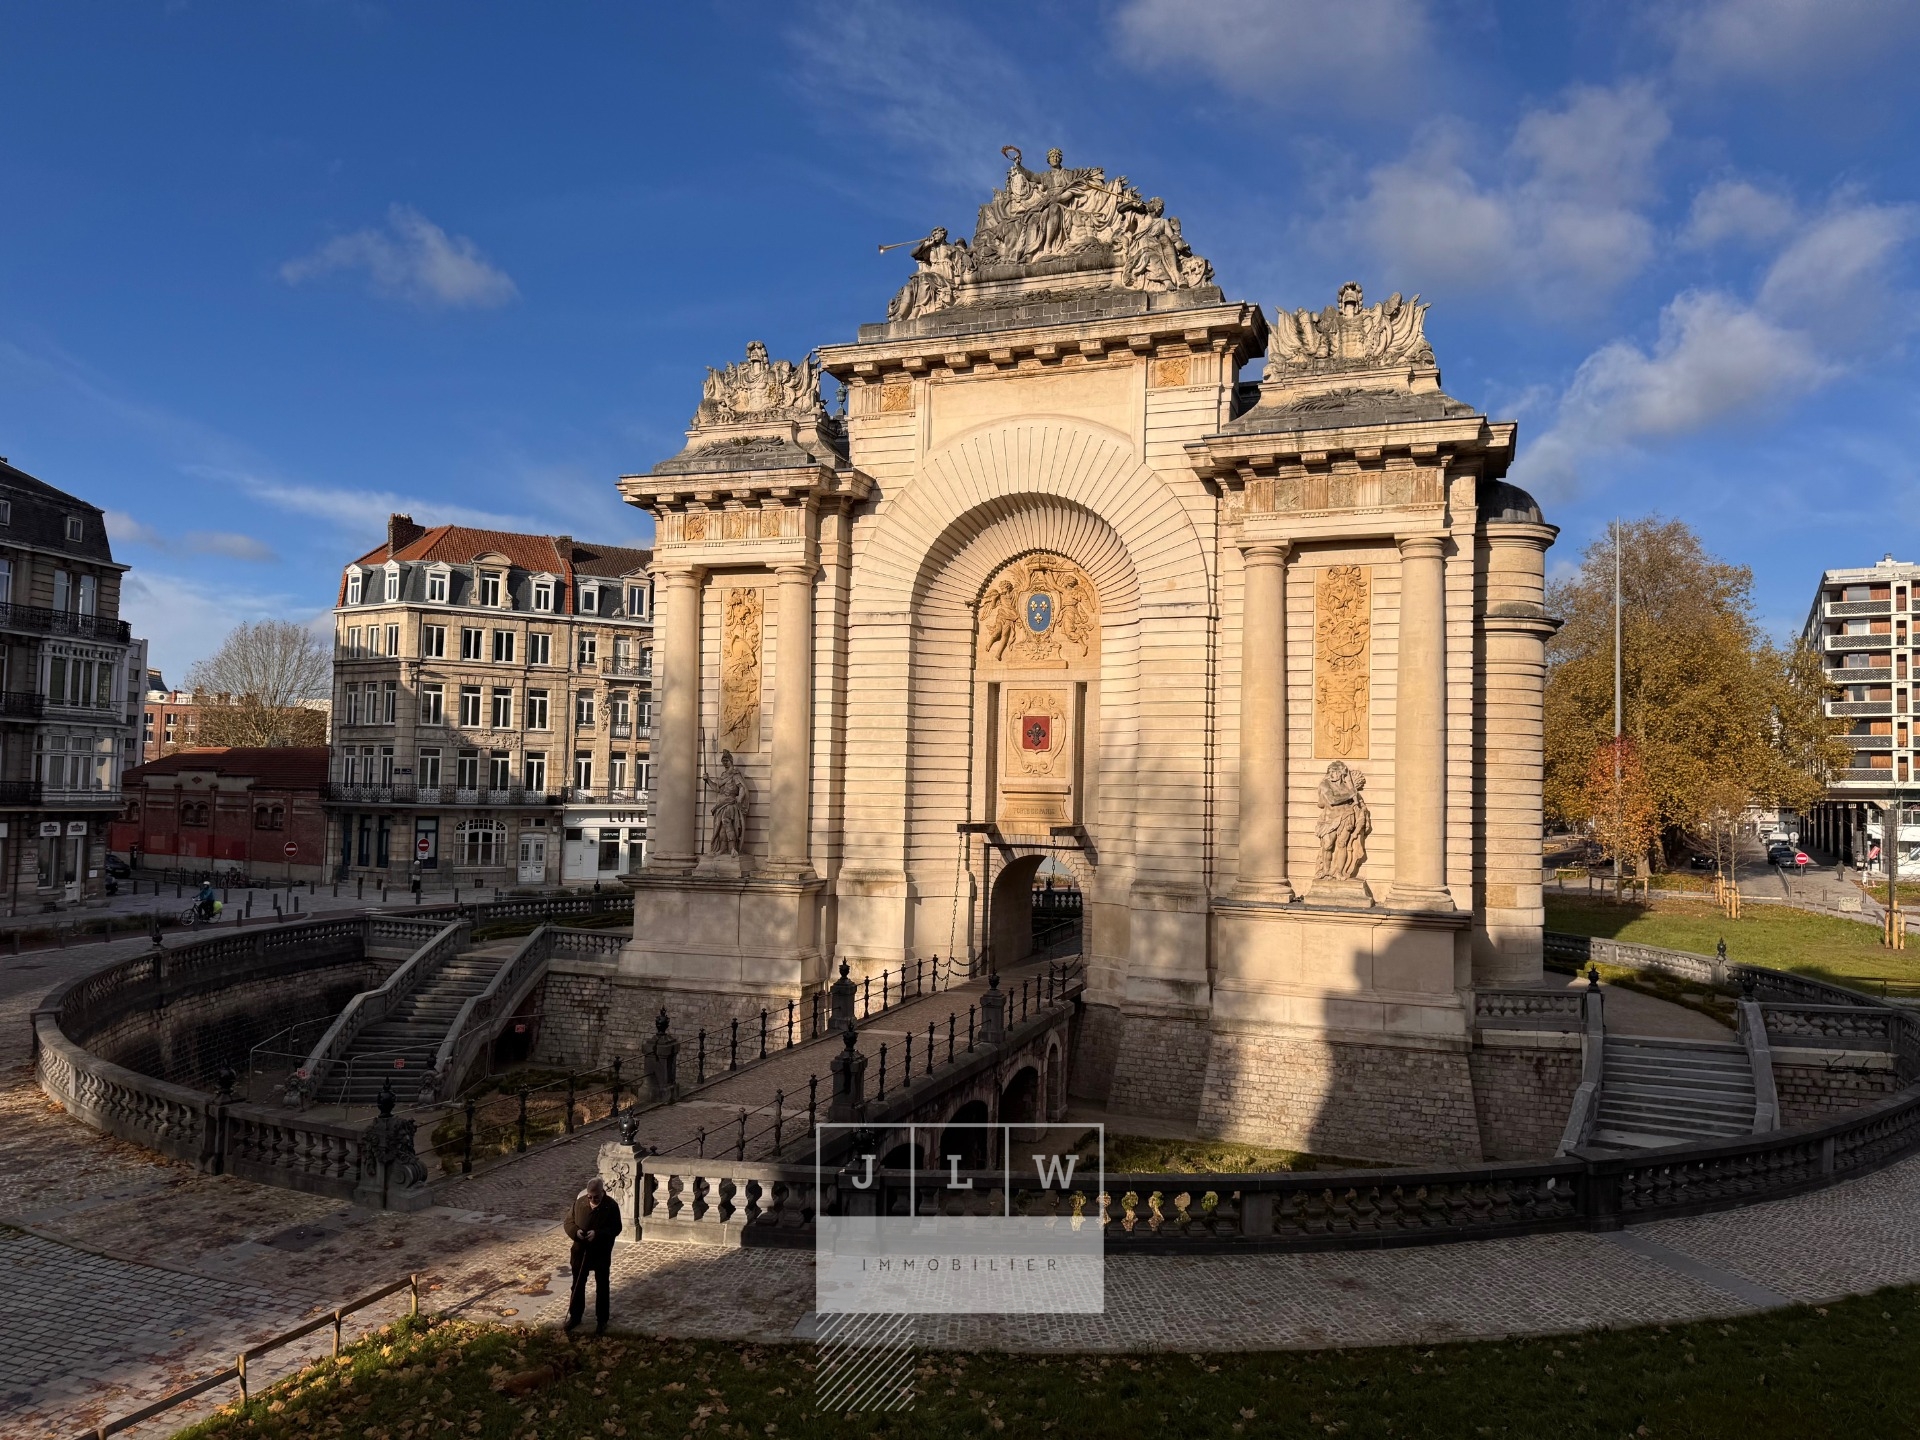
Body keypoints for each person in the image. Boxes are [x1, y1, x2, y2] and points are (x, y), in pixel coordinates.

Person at [562, 1175, 622, 1335]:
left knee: (602, 1287)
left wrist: (598, 1234)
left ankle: (602, 1320)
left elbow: (616, 1228)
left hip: (601, 1252)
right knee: (577, 1285)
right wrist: (577, 1233)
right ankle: (575, 1316)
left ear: (602, 1192)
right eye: (590, 1197)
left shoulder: (611, 1206)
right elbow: (568, 1223)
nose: (593, 1199)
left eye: (596, 1197)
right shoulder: (579, 1203)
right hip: (580, 1253)